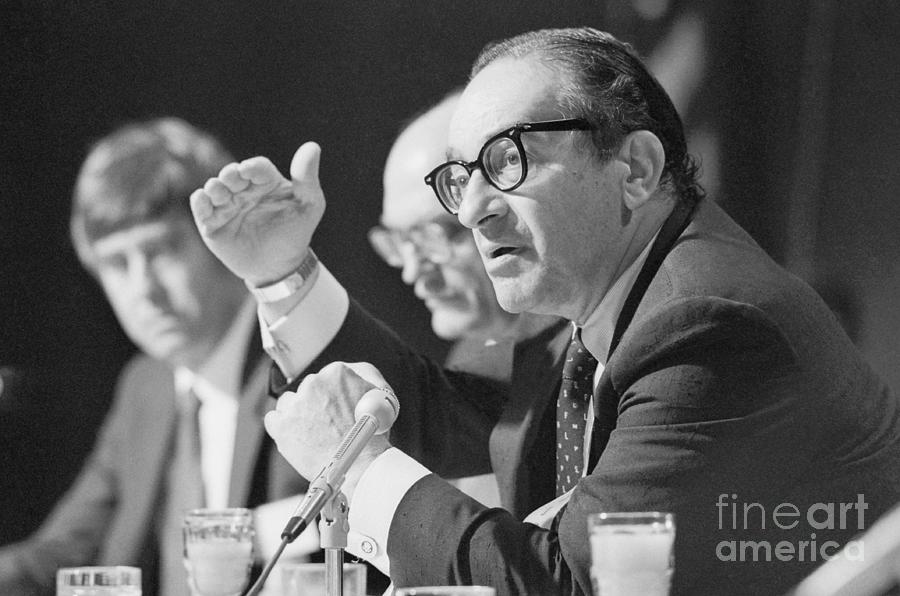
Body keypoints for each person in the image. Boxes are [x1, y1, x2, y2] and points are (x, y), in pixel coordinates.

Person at [189, 28, 900, 596]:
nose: (471, 210)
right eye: (459, 178)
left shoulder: (708, 325)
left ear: (637, 169)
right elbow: (443, 424)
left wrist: (360, 470)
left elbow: (562, 586)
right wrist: (283, 274)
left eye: (507, 162)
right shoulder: (595, 324)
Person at [0, 118, 314, 596]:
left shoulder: (304, 355)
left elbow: (351, 529)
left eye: (160, 250)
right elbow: (63, 552)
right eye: (116, 264)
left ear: (219, 241)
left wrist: (244, 536)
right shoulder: (145, 384)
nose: (142, 289)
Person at [371, 90, 567, 507]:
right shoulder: (470, 355)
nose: (412, 270)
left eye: (435, 235)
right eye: (399, 241)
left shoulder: (594, 358)